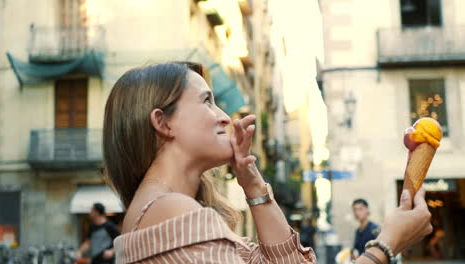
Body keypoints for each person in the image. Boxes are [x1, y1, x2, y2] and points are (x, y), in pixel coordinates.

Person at [103, 62, 433, 263]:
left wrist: (253, 184)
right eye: (207, 101)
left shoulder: (160, 207)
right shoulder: (171, 210)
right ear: (163, 123)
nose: (224, 117)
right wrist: (386, 246)